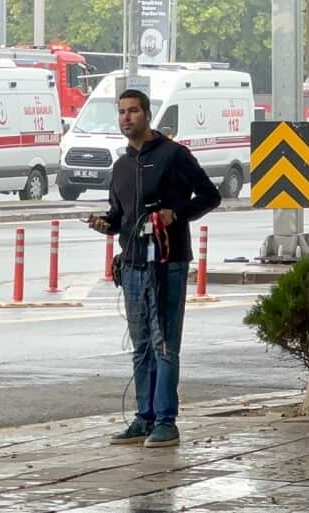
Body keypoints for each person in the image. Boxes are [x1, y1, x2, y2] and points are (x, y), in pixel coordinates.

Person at [87, 89, 220, 448]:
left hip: (167, 262)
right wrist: (105, 224)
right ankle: (143, 419)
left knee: (164, 344)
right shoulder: (121, 166)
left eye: (133, 111)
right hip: (132, 266)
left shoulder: (175, 156)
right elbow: (120, 217)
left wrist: (176, 214)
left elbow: (211, 195)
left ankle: (166, 420)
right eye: (121, 113)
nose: (126, 118)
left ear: (147, 114)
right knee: (141, 344)